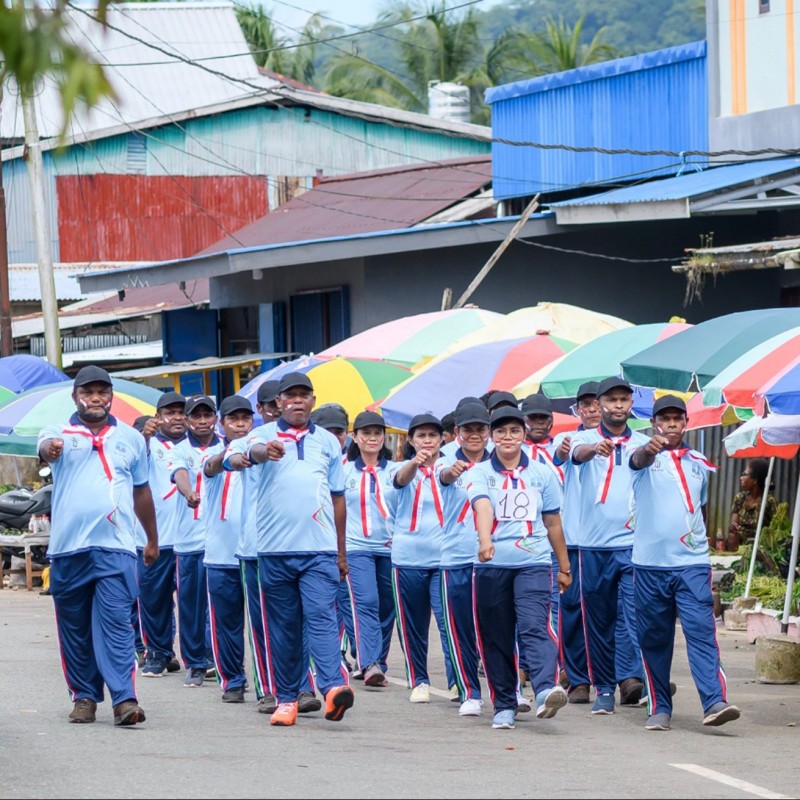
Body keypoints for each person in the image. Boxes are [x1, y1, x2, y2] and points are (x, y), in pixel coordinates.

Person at [38, 365, 158, 726]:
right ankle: (84, 697)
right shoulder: (58, 431)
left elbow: (141, 491)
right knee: (74, 628)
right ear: (76, 396)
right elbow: (43, 449)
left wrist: (152, 538)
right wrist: (51, 450)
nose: (96, 398)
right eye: (88, 392)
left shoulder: (132, 439)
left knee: (118, 623)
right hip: (68, 549)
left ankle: (125, 699)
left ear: (110, 397)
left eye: (102, 392)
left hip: (116, 547)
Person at [231, 372, 354, 727]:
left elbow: (338, 498)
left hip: (319, 550)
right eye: (291, 396)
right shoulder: (261, 435)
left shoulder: (329, 442)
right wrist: (259, 454)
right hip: (273, 550)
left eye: (304, 395)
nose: (297, 401)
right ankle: (286, 700)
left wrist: (341, 551)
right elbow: (237, 456)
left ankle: (332, 688)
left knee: (321, 616)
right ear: (279, 403)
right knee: (284, 627)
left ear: (313, 401)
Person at [630, 395, 740, 731]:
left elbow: (699, 508)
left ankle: (714, 702)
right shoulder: (642, 456)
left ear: (686, 422)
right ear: (654, 423)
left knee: (701, 631)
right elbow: (637, 460)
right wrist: (650, 449)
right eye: (665, 419)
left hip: (691, 563)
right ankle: (660, 706)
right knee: (654, 637)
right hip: (649, 564)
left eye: (678, 418)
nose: (672, 424)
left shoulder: (699, 462)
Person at [467, 407, 570, 730]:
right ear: (491, 437)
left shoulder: (542, 473)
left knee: (533, 625)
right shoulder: (481, 472)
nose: (507, 437)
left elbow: (552, 522)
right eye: (501, 432)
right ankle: (504, 705)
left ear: (523, 435)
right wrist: (485, 540)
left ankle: (543, 690)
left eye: (514, 431)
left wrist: (564, 566)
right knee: (495, 635)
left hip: (534, 563)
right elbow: (482, 504)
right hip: (491, 564)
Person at [569, 377, 649, 715]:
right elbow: (574, 454)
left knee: (637, 616)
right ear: (600, 404)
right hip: (592, 544)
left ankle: (639, 680)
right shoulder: (582, 437)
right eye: (611, 400)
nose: (618, 406)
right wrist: (593, 450)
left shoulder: (645, 441)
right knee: (597, 621)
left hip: (633, 543)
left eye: (623, 400)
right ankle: (603, 687)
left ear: (631, 404)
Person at [392, 413, 457, 703]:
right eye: (421, 436)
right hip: (408, 557)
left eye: (433, 435)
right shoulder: (400, 467)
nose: (427, 441)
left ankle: (457, 679)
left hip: (444, 557)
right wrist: (415, 463)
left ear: (442, 438)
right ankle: (419, 679)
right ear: (411, 439)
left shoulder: (450, 464)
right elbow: (399, 481)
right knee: (413, 624)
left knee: (448, 622)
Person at [201, 395, 255, 704]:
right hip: (221, 554)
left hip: (257, 553)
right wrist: (232, 452)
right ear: (222, 424)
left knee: (265, 623)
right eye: (233, 419)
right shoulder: (212, 452)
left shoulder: (261, 454)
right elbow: (210, 467)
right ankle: (233, 680)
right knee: (226, 623)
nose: (239, 423)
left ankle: (271, 681)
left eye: (245, 418)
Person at [439, 401, 491, 717]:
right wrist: (451, 472)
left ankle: (508, 689)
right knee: (460, 629)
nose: (474, 434)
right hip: (456, 555)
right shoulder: (444, 457)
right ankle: (468, 691)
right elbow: (442, 477)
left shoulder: (500, 458)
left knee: (497, 628)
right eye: (468, 429)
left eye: (480, 428)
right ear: (457, 431)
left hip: (492, 557)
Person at [341, 410, 396, 687]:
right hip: (356, 546)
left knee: (388, 606)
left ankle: (378, 661)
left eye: (377, 433)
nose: (372, 438)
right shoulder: (343, 470)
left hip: (389, 546)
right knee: (367, 602)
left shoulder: (396, 470)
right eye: (366, 433)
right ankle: (370, 661)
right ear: (355, 437)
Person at [171, 395, 219, 688]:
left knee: (219, 604)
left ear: (215, 418)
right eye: (196, 416)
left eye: (207, 415)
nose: (202, 421)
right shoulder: (180, 450)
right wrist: (189, 494)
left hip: (220, 540)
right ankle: (195, 663)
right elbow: (180, 476)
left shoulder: (229, 447)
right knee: (190, 604)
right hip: (188, 539)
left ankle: (218, 658)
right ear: (188, 420)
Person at [138, 392, 186, 678]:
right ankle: (157, 653)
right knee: (154, 600)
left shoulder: (202, 445)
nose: (177, 417)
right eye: (170, 412)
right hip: (156, 540)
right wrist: (144, 437)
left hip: (191, 540)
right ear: (158, 417)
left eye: (182, 412)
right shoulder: (148, 444)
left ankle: (200, 655)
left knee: (195, 604)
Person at [727, 457, 778, 551]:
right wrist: (734, 527)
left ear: (755, 480)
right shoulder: (740, 498)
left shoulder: (769, 501)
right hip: (740, 547)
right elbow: (734, 523)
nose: (741, 478)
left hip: (761, 550)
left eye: (745, 474)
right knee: (732, 534)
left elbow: (775, 531)